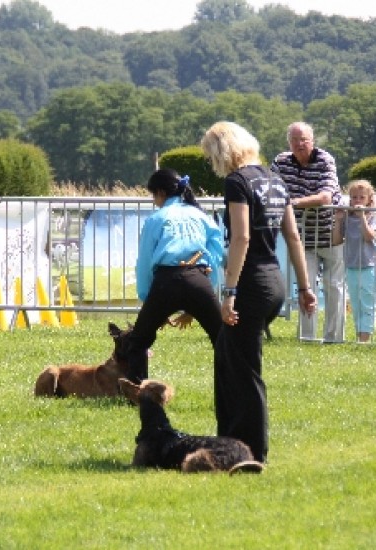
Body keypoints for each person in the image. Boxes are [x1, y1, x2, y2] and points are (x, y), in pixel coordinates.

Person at [200, 121, 317, 464]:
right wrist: (305, 287)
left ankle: (250, 452)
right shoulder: (276, 180)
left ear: (223, 151)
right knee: (227, 361)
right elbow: (293, 237)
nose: (212, 163)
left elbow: (241, 238)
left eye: (211, 156)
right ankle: (228, 441)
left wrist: (229, 292)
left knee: (244, 373)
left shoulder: (237, 182)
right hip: (273, 282)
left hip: (250, 285)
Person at [125, 168, 227, 383]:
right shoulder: (201, 216)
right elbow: (216, 254)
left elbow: (144, 262)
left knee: (138, 342)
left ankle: (137, 390)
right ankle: (232, 391)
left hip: (166, 281)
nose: (154, 201)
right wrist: (206, 289)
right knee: (224, 340)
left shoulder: (156, 219)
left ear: (161, 192)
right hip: (198, 279)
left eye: (153, 195)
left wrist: (149, 299)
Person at [271, 121, 345, 343]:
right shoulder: (281, 162)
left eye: (303, 139)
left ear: (312, 141)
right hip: (302, 236)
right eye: (294, 140)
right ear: (289, 142)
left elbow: (325, 197)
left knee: (334, 286)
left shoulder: (325, 159)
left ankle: (333, 338)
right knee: (306, 286)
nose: (299, 144)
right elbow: (271, 190)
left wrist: (292, 203)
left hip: (331, 232)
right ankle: (307, 337)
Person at [332, 179, 376, 343]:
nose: (357, 201)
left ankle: (365, 339)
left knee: (368, 303)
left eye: (361, 197)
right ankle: (360, 336)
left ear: (369, 199)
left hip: (369, 266)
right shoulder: (347, 217)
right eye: (354, 197)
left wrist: (362, 218)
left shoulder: (373, 215)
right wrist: (338, 220)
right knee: (356, 304)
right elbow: (336, 240)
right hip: (351, 266)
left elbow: (369, 237)